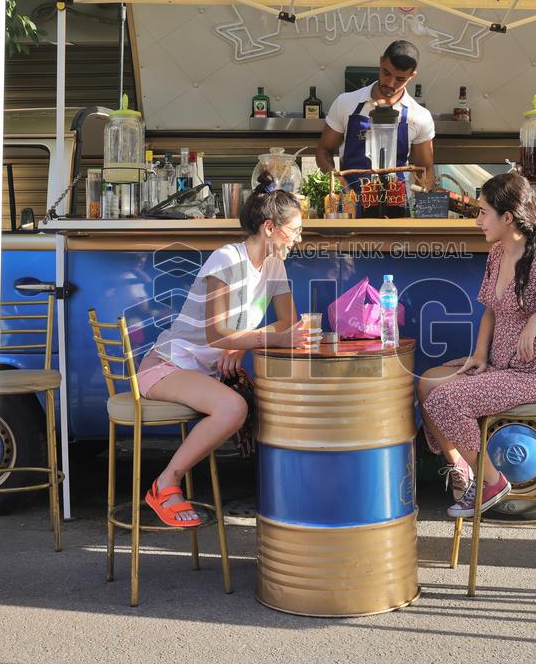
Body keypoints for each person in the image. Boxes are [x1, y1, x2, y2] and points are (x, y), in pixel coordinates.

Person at [416, 172, 536, 517]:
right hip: (499, 367)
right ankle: (463, 471)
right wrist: (478, 354)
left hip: (532, 375)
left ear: (507, 217)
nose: (477, 221)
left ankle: (490, 482)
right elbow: (490, 308)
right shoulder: (497, 253)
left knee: (446, 398)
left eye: (483, 212)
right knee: (428, 384)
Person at [135, 190, 309, 526]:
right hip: (168, 366)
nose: (298, 239)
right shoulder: (226, 260)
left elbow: (289, 322)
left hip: (201, 373)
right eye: (295, 230)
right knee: (235, 407)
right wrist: (264, 338)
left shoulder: (274, 266)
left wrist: (242, 345)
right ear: (270, 228)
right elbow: (217, 334)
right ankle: (165, 483)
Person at [316, 40, 435, 217]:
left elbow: (425, 169)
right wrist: (340, 185)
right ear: (380, 62)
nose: (391, 83)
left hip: (398, 211)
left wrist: (422, 208)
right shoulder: (346, 103)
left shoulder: (419, 116)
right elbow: (324, 151)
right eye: (386, 73)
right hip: (351, 207)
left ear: (412, 76)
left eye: (400, 79)